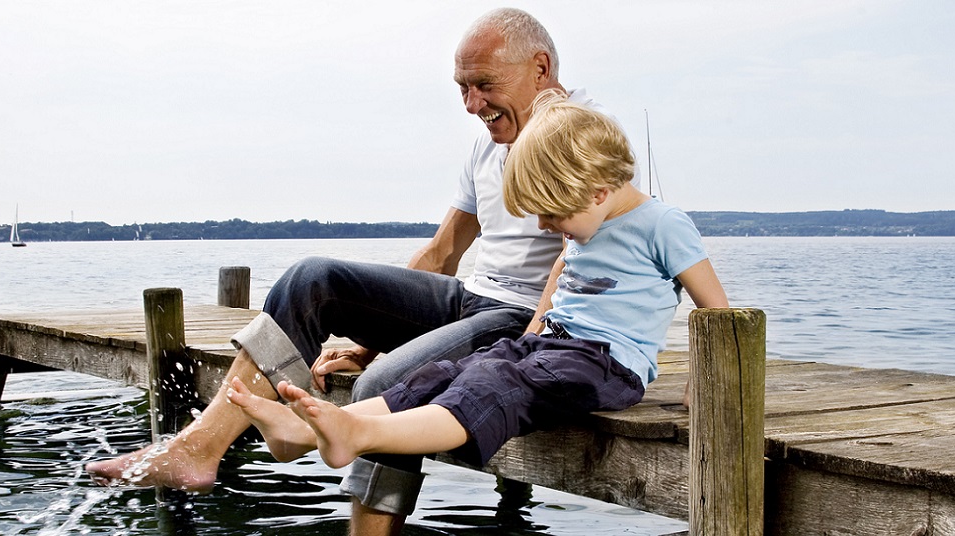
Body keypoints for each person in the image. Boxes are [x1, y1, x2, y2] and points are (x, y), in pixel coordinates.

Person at [87, 9, 607, 530]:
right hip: (470, 298)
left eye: (484, 85)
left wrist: (530, 345)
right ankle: (201, 446)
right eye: (463, 89)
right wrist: (373, 336)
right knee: (310, 279)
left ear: (539, 68)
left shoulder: (587, 136)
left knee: (384, 384)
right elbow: (443, 252)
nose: (472, 105)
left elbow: (576, 261)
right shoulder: (487, 143)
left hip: (524, 318)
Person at [225, 89, 729, 535]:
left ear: (598, 191)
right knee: (447, 372)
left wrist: (706, 382)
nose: (548, 225)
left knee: (494, 386)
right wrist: (532, 334)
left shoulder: (663, 225)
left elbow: (717, 311)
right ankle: (305, 431)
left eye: (553, 215)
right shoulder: (587, 222)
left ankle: (359, 433)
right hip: (551, 345)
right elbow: (559, 281)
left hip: (606, 363)